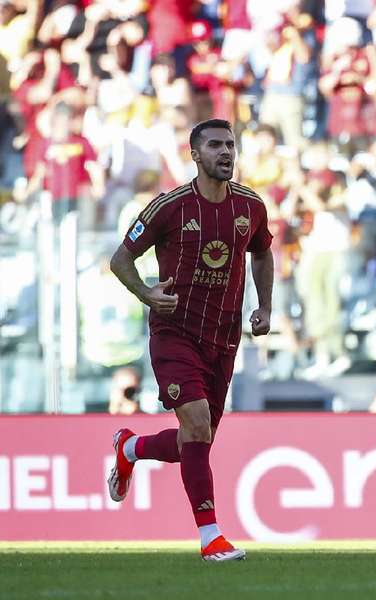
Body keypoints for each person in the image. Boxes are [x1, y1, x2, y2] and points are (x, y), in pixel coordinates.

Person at [106, 118, 274, 562]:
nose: (226, 153)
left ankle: (131, 447)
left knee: (194, 440)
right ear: (195, 154)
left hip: (223, 337)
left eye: (231, 145)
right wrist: (145, 293)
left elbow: (262, 252)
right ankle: (211, 536)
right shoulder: (170, 207)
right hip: (174, 331)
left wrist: (265, 307)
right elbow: (121, 258)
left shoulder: (251, 207)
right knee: (197, 426)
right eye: (216, 145)